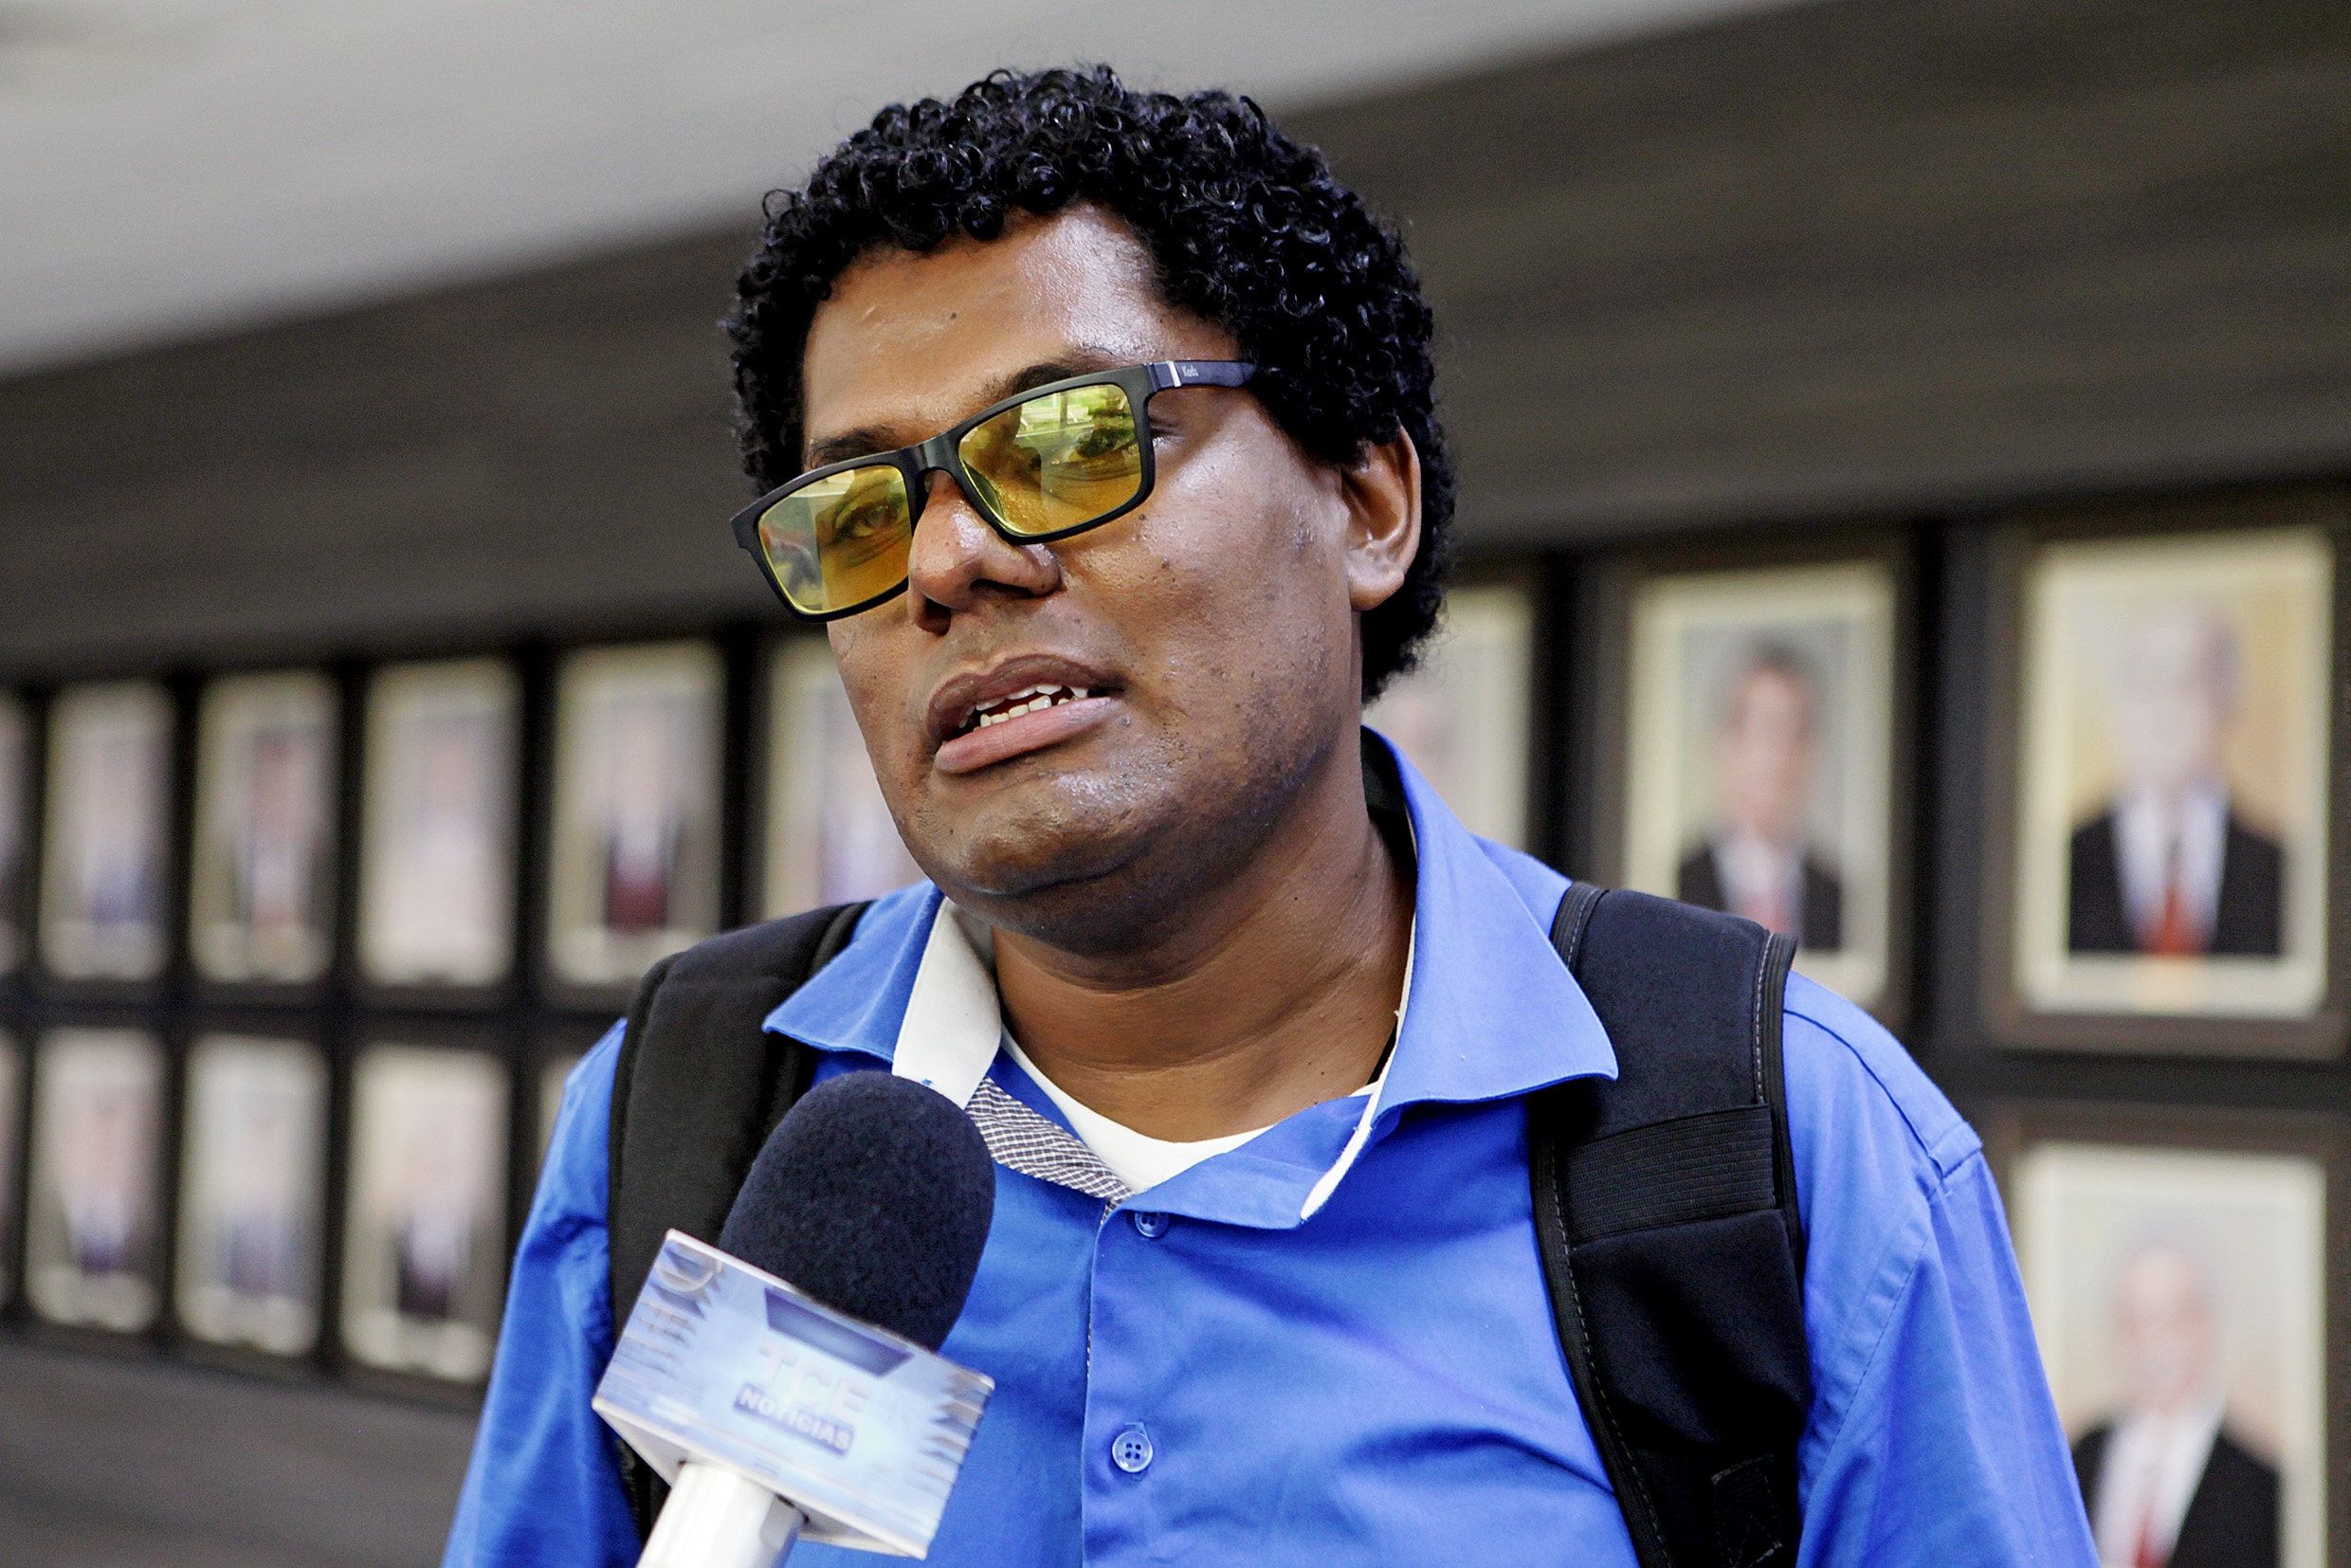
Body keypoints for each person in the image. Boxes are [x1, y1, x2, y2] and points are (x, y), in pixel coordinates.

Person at [444, 66, 2094, 1568]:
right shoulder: (692, 1108)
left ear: (1366, 503)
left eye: (1069, 438)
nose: (944, 560)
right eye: (860, 512)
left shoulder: (1783, 1141)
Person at [2068, 603, 2284, 957]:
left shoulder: (2280, 867)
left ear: (2227, 702)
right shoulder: (2065, 858)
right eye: (2143, 683)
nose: (2161, 708)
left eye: (2185, 683)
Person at [2069, 1240, 2279, 1568]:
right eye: (2134, 1322)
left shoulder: (2258, 1483)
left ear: (2205, 1327)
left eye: (2171, 1320)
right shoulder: (2083, 1456)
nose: (2151, 1344)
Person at [1676, 643, 1844, 950]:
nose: (1781, 755)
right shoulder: (1676, 881)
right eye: (1767, 729)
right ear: (1727, 744)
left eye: (1798, 733)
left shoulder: (1839, 896)